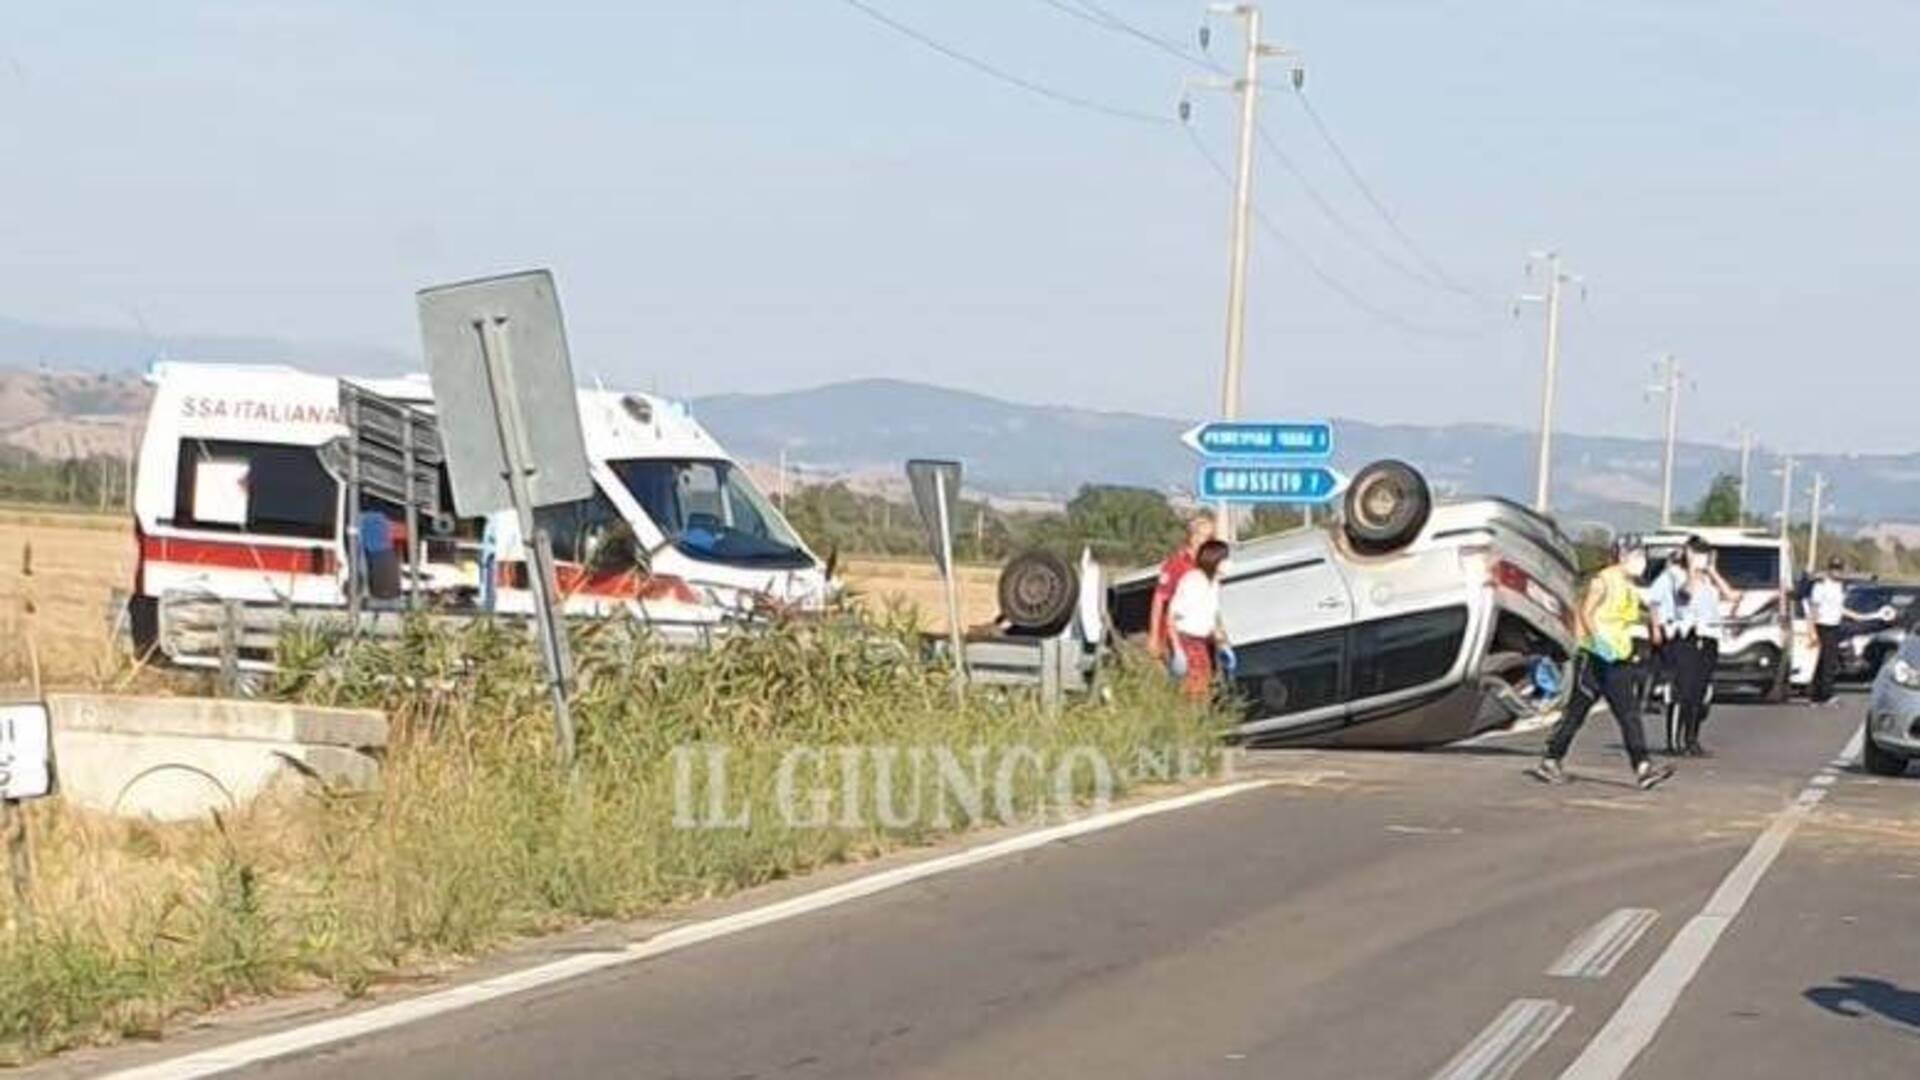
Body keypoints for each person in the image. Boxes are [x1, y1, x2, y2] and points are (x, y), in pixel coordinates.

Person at [1531, 536, 1675, 790]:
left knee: (1628, 714)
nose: (1640, 561)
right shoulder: (1603, 580)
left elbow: (1633, 614)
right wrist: (1596, 642)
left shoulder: (1629, 585)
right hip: (1596, 656)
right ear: (1623, 556)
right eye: (1636, 555)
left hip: (1618, 657)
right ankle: (1551, 759)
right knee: (1577, 713)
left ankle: (1643, 767)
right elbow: (1585, 612)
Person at [1645, 539, 1738, 756]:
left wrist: (1712, 571)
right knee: (1682, 691)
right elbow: (1682, 597)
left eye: (1705, 554)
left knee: (1700, 692)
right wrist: (1692, 572)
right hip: (1684, 636)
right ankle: (1674, 742)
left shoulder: (1708, 580)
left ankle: (1692, 739)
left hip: (1708, 637)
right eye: (1698, 554)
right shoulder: (1673, 576)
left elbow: (1732, 596)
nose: (1702, 559)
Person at [1806, 557, 1889, 705]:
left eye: (1838, 569)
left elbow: (1839, 608)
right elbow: (1814, 609)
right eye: (1833, 568)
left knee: (1826, 660)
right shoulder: (1821, 586)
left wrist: (1858, 616)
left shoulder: (1839, 587)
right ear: (1828, 569)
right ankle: (1825, 695)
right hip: (1823, 625)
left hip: (1834, 624)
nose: (1836, 572)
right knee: (1827, 661)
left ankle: (1816, 694)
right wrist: (1812, 630)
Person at [1148, 514, 1216, 667]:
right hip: (1179, 634)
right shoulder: (1176, 564)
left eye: (1208, 537)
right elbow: (1159, 599)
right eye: (1200, 535)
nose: (1203, 541)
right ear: (1191, 536)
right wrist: (1153, 636)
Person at [1167, 539, 1231, 702]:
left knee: (1205, 684)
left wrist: (1223, 643)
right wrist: (1177, 649)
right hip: (1187, 640)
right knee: (1194, 688)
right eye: (1225, 560)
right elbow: (1172, 616)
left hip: (1203, 641)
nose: (1229, 564)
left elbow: (1213, 616)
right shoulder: (1193, 581)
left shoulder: (1214, 584)